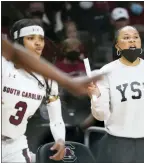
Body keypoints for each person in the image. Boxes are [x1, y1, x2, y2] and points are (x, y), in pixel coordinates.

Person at [1, 19, 103, 163]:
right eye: (30, 38)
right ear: (18, 42)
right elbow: (13, 53)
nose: (38, 43)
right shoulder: (3, 66)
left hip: (15, 145)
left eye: (41, 39)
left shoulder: (47, 80)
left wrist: (60, 140)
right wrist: (68, 82)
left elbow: (56, 119)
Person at [87, 26, 144, 163]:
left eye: (136, 37)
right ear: (117, 46)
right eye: (126, 38)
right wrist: (95, 97)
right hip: (117, 143)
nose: (132, 41)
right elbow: (101, 115)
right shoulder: (107, 71)